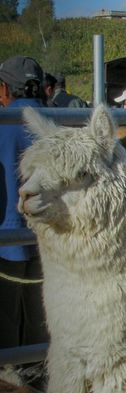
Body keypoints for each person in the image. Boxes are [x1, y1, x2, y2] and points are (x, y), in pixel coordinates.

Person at [0, 55, 49, 349]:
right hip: (51, 236)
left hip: (7, 236)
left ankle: (10, 382)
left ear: (5, 89)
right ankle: (38, 370)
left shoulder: (3, 122)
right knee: (42, 312)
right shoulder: (58, 122)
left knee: (7, 314)